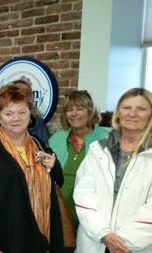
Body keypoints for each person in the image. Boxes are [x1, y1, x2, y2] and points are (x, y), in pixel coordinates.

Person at [0, 83, 64, 253]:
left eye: (21, 112)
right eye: (8, 113)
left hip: (40, 239)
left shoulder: (38, 144)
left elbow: (58, 181)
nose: (15, 118)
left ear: (29, 114)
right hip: (6, 242)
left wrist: (54, 167)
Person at [73, 88, 152, 253]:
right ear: (118, 114)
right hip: (94, 242)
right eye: (127, 107)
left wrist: (122, 243)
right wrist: (103, 234)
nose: (133, 113)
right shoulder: (98, 150)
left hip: (134, 247)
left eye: (141, 109)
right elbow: (84, 194)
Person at [49, 90, 109, 224]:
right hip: (58, 210)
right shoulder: (56, 139)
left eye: (80, 109)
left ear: (91, 111)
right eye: (69, 110)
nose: (74, 114)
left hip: (92, 212)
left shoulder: (107, 139)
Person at [13, 79, 50, 143]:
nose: (21, 95)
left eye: (25, 92)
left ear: (30, 97)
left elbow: (43, 149)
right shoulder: (4, 120)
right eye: (16, 92)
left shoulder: (39, 123)